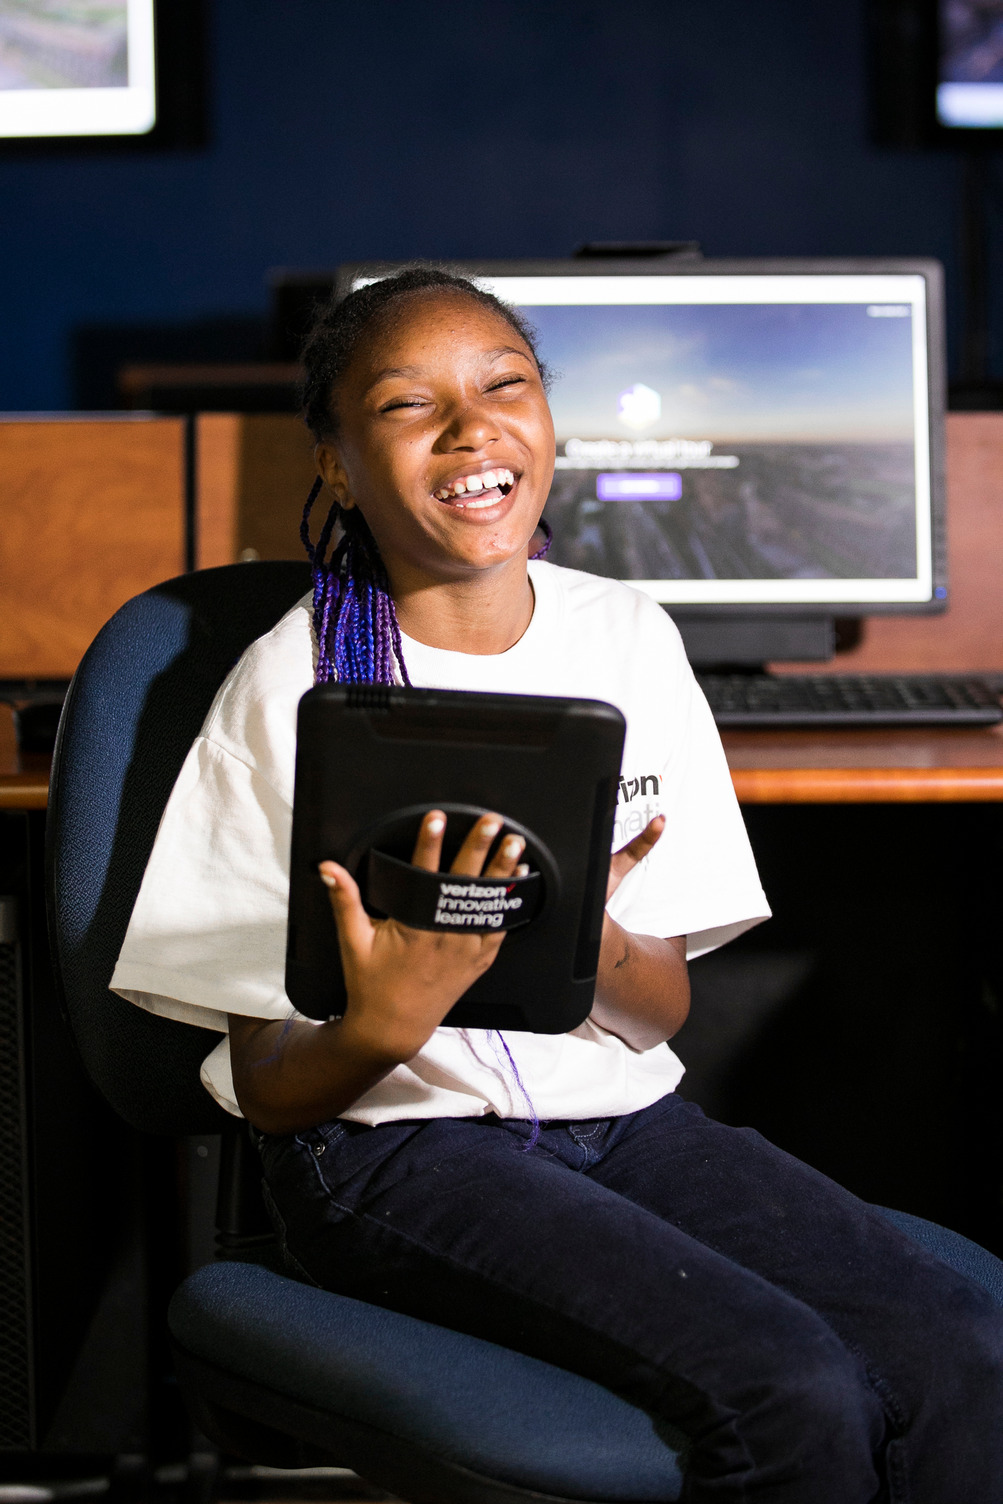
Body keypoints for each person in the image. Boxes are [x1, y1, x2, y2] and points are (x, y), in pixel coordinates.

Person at [112, 267, 1003, 1502]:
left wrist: (589, 939)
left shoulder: (626, 636)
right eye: (406, 405)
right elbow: (269, 1091)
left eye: (502, 387)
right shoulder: (286, 690)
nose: (470, 429)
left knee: (963, 1351)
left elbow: (658, 1014)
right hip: (392, 1150)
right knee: (790, 1387)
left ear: (548, 422)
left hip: (622, 1119)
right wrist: (385, 1019)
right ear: (333, 463)